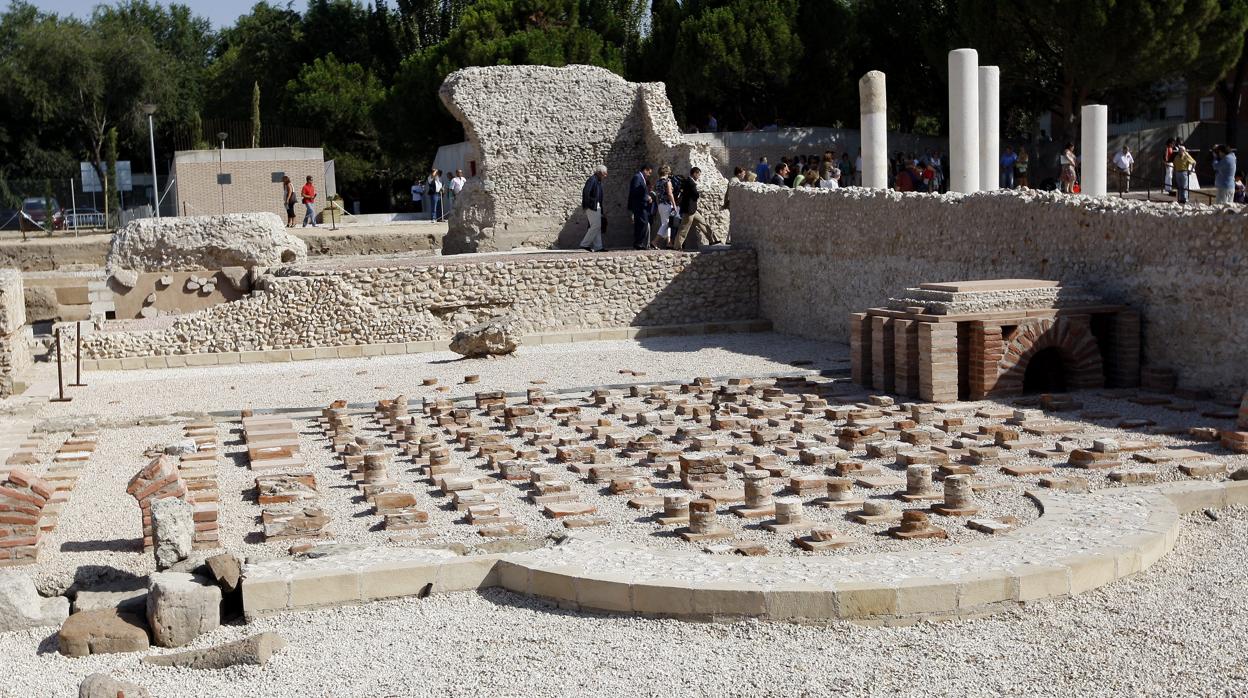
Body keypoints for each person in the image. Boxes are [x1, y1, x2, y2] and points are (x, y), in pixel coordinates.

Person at [671, 167, 717, 250]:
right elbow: (695, 194)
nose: (699, 176)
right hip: (689, 210)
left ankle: (712, 239)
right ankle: (677, 246)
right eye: (698, 174)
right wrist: (697, 195)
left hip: (692, 209)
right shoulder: (691, 182)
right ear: (695, 173)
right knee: (684, 228)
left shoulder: (687, 181)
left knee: (703, 223)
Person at [579, 165, 608, 251]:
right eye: (604, 174)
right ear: (600, 172)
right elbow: (586, 192)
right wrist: (587, 205)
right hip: (592, 206)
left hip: (596, 206)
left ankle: (598, 247)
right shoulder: (592, 179)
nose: (605, 176)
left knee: (597, 226)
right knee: (596, 225)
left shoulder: (597, 181)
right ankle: (584, 244)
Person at [652, 164, 679, 248]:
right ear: (667, 172)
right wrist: (674, 204)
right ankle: (655, 242)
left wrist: (658, 204)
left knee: (667, 223)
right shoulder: (667, 181)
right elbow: (670, 194)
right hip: (667, 204)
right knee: (666, 224)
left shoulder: (657, 182)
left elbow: (656, 195)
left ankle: (669, 243)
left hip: (660, 205)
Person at [628, 164, 654, 250]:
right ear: (645, 170)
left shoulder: (641, 178)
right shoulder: (637, 177)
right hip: (639, 205)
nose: (649, 175)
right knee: (643, 223)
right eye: (649, 173)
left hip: (641, 205)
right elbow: (635, 191)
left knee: (641, 224)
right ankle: (638, 243)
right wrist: (647, 197)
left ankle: (638, 243)